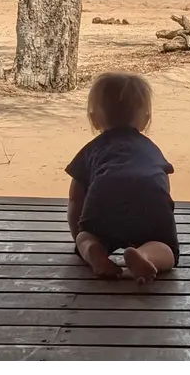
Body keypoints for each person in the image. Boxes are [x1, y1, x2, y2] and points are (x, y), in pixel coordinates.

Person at [66, 72, 181, 285]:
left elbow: (75, 199)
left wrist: (82, 236)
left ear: (94, 119)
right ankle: (146, 255)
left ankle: (94, 251)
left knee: (89, 238)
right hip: (150, 202)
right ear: (145, 119)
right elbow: (163, 186)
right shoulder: (150, 150)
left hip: (104, 202)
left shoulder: (92, 150)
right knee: (166, 249)